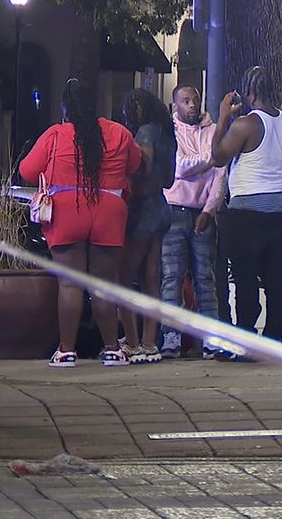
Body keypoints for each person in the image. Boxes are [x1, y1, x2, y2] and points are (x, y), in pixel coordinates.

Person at [19, 78, 142, 368]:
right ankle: (112, 349)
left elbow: (27, 171)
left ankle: (66, 351)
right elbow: (135, 165)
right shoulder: (119, 133)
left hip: (66, 211)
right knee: (102, 285)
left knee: (71, 285)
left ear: (65, 107)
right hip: (109, 211)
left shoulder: (56, 134)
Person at [211, 66, 282, 358]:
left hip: (247, 208)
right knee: (275, 278)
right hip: (278, 206)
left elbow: (218, 157)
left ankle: (246, 339)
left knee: (245, 276)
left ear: (248, 92)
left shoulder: (245, 124)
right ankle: (274, 335)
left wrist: (223, 117)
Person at [160, 85, 226, 359]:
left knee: (205, 279)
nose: (192, 105)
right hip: (174, 211)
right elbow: (178, 167)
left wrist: (209, 210)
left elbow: (221, 174)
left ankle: (211, 339)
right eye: (186, 101)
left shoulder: (212, 131)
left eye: (195, 99)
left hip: (203, 214)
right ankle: (171, 338)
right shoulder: (170, 132)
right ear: (175, 105)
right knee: (172, 278)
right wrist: (210, 159)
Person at [116, 89, 176, 364]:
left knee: (124, 279)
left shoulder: (145, 133)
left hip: (141, 209)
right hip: (162, 208)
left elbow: (145, 166)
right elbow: (169, 180)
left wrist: (126, 173)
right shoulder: (168, 135)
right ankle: (150, 342)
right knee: (152, 278)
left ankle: (131, 340)